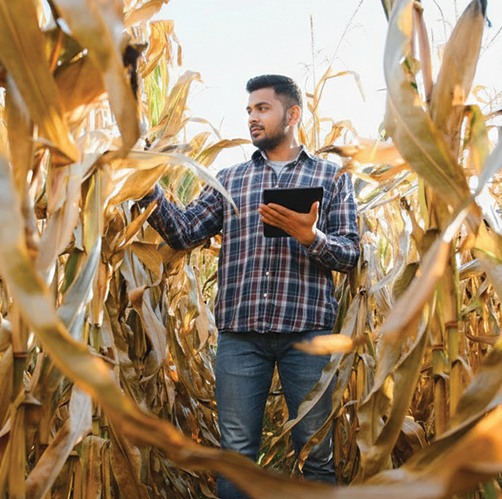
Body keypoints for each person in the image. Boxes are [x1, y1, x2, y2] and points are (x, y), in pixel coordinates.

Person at [137, 74, 359, 497]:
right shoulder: (231, 178)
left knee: (316, 453)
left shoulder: (331, 178)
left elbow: (351, 256)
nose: (253, 119)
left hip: (308, 337)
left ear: (292, 115)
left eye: (263, 109)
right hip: (242, 338)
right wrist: (144, 183)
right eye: (249, 111)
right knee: (236, 455)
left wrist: (311, 237)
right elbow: (183, 232)